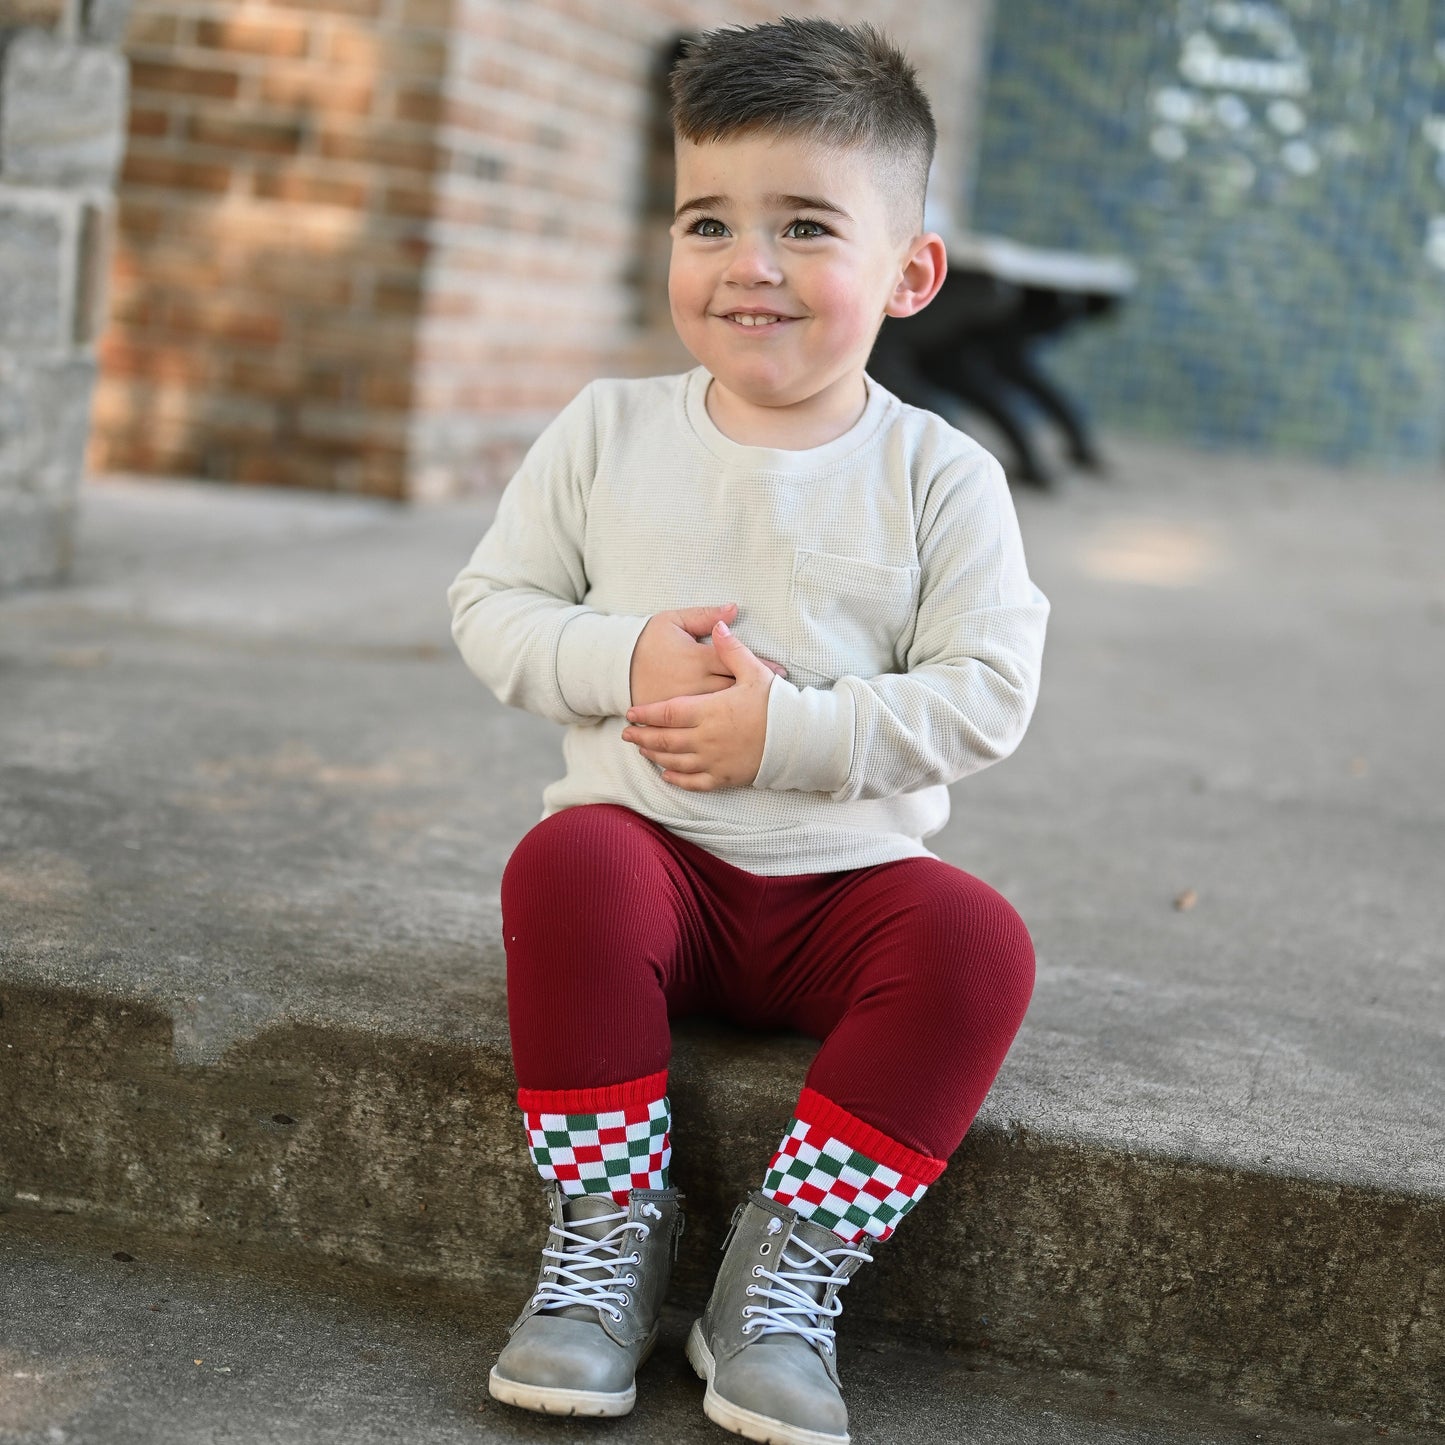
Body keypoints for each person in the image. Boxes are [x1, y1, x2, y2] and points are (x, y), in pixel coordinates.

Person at [446, 17, 1050, 1444]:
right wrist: (622, 655)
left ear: (910, 273)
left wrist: (789, 734)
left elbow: (986, 691)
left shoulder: (941, 476)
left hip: (843, 890)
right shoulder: (605, 432)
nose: (748, 264)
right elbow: (491, 608)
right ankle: (606, 1237)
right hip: (652, 870)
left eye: (805, 226)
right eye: (707, 220)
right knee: (567, 864)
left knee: (976, 944)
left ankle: (782, 1277)